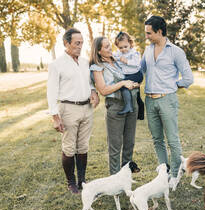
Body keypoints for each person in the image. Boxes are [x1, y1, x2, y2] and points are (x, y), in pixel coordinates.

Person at [141, 16, 193, 187]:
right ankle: (165, 172)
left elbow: (188, 78)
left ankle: (175, 174)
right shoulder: (147, 50)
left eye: (149, 33)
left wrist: (172, 86)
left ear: (159, 32)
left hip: (167, 100)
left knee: (172, 139)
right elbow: (140, 70)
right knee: (157, 139)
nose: (146, 36)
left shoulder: (175, 51)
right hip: (150, 100)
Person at [47, 28, 100, 194]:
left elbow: (89, 82)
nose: (80, 46)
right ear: (66, 43)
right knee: (69, 147)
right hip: (68, 108)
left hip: (87, 108)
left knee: (83, 146)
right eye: (77, 43)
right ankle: (71, 182)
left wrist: (93, 92)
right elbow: (51, 92)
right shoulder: (57, 65)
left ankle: (82, 180)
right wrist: (55, 117)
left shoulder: (85, 62)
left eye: (82, 43)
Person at [90, 36, 140, 175]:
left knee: (129, 143)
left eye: (109, 45)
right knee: (115, 146)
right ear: (98, 51)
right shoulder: (97, 67)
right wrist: (123, 83)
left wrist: (134, 84)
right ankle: (115, 179)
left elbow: (129, 76)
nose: (110, 48)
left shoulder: (117, 61)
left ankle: (126, 176)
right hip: (116, 106)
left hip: (131, 104)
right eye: (105, 47)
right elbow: (104, 90)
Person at [113, 31, 144, 117]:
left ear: (130, 43)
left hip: (136, 74)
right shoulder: (119, 53)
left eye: (125, 46)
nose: (123, 49)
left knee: (123, 85)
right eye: (121, 47)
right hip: (128, 75)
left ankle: (128, 106)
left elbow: (137, 63)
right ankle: (138, 111)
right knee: (136, 94)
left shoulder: (134, 53)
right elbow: (113, 56)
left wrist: (127, 61)